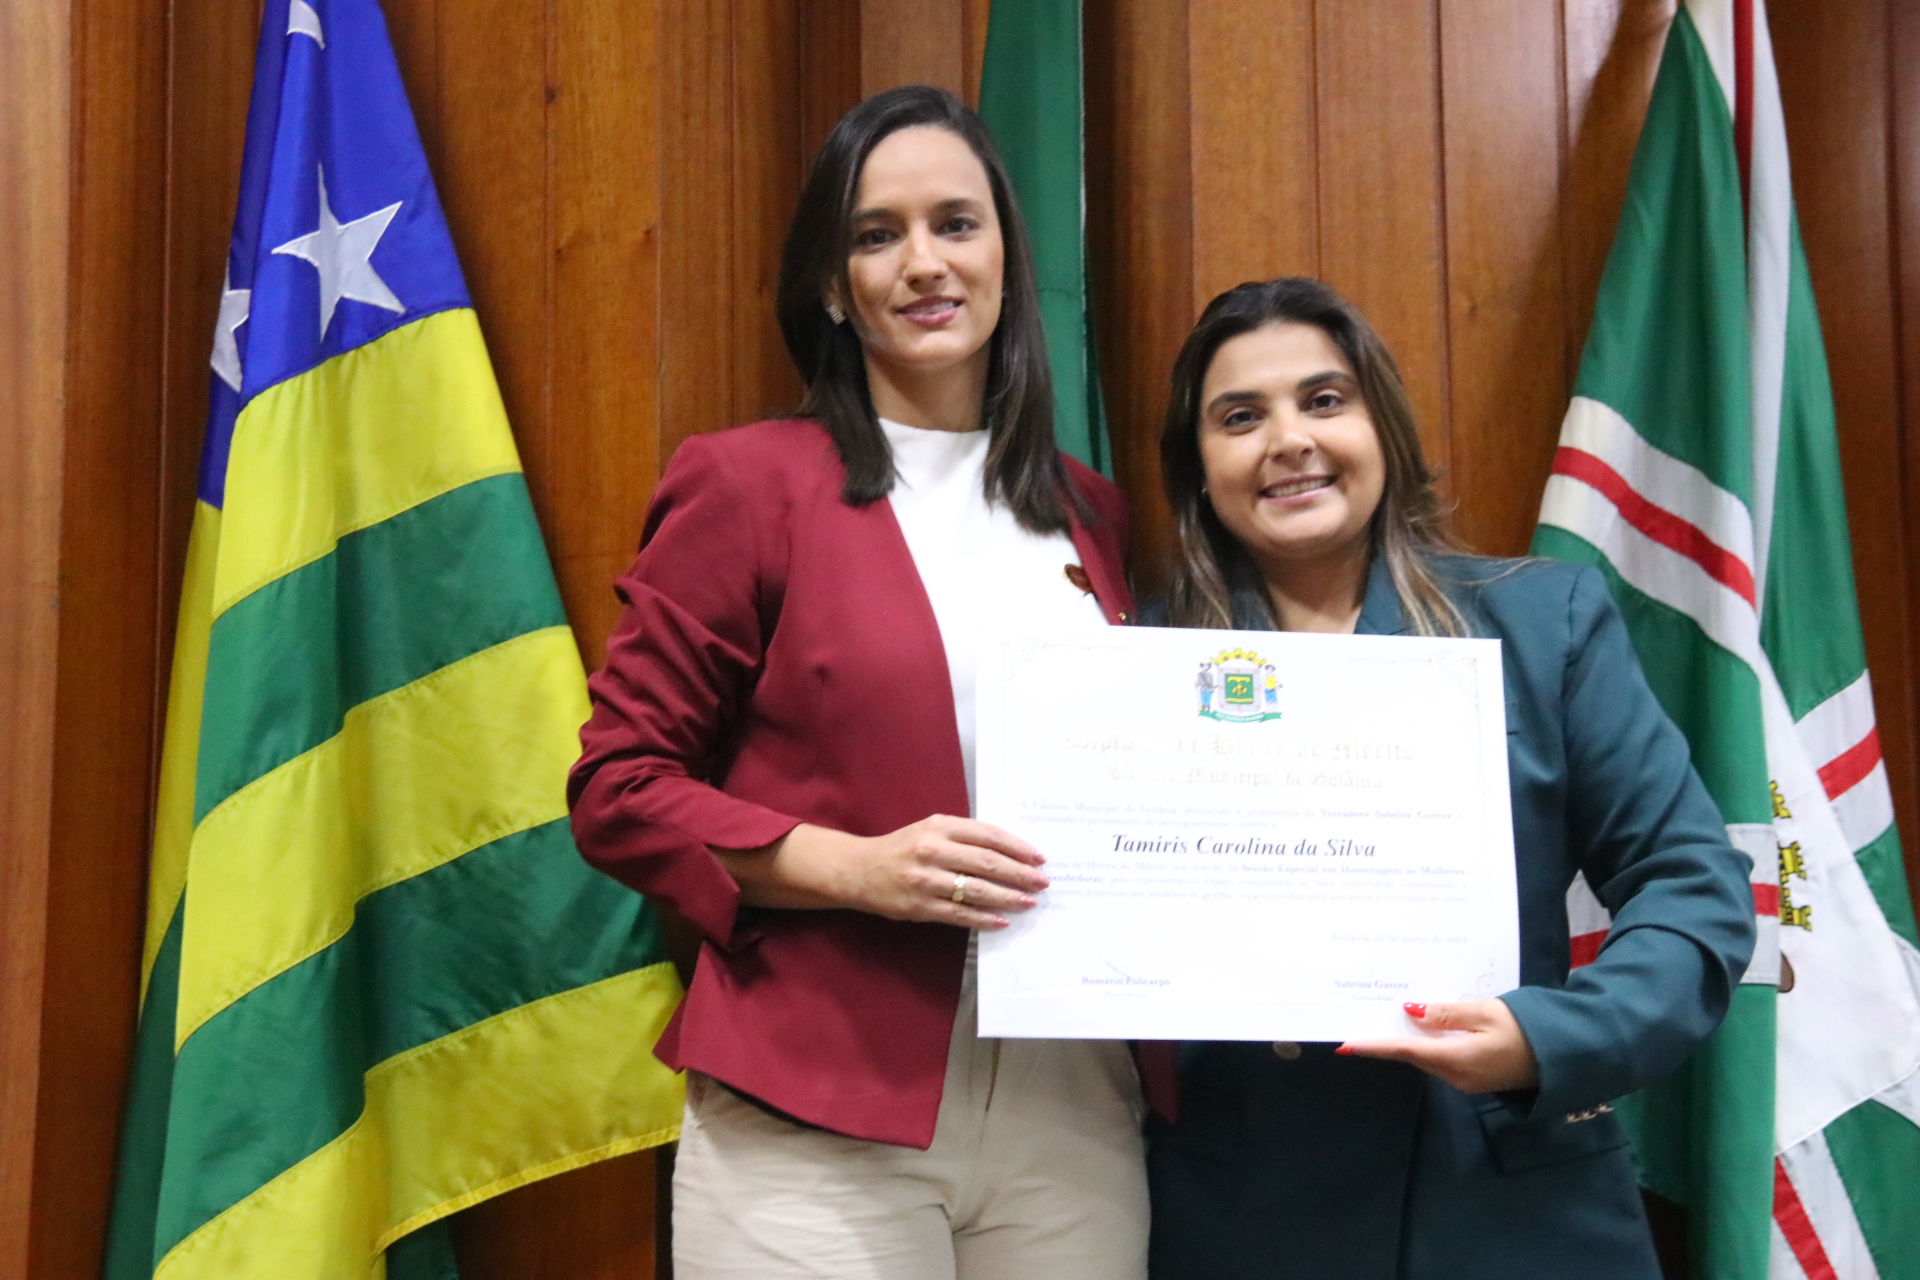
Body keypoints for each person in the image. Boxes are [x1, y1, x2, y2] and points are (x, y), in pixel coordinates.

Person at [567, 86, 1147, 1280]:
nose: (924, 261)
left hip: (1074, 1103)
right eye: (878, 234)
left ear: (1006, 257)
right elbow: (618, 788)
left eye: (956, 223)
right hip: (817, 1107)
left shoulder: (1093, 512)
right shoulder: (747, 484)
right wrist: (857, 868)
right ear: (833, 285)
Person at [1140, 278, 1756, 1280]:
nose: (1289, 439)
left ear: (1381, 427)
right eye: (1240, 417)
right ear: (1198, 469)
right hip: (1247, 1212)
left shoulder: (1543, 623)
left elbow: (1695, 889)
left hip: (1509, 1204)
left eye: (1324, 400)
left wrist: (1546, 1037)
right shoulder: (1134, 666)